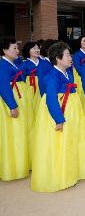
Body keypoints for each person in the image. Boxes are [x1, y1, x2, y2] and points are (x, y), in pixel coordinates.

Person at [30, 42, 85, 192]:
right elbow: (51, 99)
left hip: (72, 112)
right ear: (58, 59)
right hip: (60, 113)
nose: (71, 58)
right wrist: (59, 119)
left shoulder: (68, 73)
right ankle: (60, 175)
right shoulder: (52, 76)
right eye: (67, 55)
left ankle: (71, 171)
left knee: (70, 141)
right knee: (59, 145)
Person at [0, 37, 29, 181]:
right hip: (10, 102)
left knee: (19, 134)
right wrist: (12, 106)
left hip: (18, 98)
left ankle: (20, 165)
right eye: (14, 48)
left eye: (17, 48)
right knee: (13, 135)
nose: (17, 51)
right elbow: (3, 86)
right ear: (5, 50)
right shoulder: (3, 65)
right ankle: (12, 168)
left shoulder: (13, 63)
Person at [20, 41, 43, 127]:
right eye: (34, 48)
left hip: (42, 90)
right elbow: (22, 80)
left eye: (37, 48)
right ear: (28, 51)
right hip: (30, 92)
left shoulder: (45, 63)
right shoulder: (24, 65)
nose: (37, 50)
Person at [72, 35, 85, 103]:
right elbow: (78, 67)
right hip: (81, 77)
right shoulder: (77, 54)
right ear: (80, 43)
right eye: (84, 41)